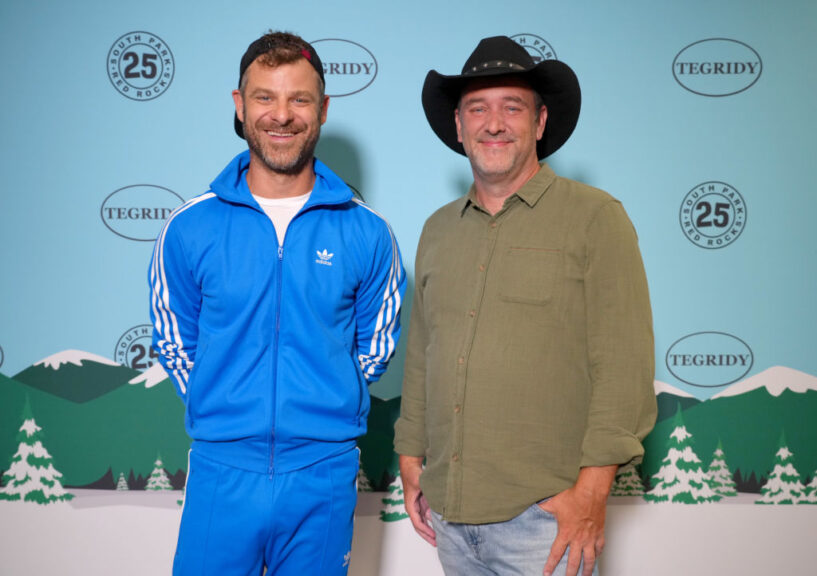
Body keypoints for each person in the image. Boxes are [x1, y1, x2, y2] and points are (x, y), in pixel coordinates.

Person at [394, 36, 655, 576]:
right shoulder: (437, 229)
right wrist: (410, 457)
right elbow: (422, 353)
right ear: (459, 127)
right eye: (477, 109)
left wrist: (591, 495)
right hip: (449, 515)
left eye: (511, 107)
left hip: (546, 525)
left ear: (539, 123)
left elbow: (623, 369)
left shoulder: (595, 217)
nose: (494, 124)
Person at [149, 31, 405, 576]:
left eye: (299, 99)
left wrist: (326, 398)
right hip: (223, 470)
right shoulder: (189, 228)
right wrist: (225, 408)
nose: (281, 115)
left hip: (323, 472)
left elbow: (375, 344)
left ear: (323, 110)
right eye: (265, 97)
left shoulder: (368, 232)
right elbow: (175, 339)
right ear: (240, 107)